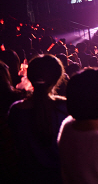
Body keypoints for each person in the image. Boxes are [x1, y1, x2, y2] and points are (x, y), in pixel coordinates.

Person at [8, 54, 68, 184]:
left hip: (25, 177)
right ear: (57, 78)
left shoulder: (16, 110)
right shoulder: (66, 108)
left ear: (30, 76)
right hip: (60, 177)